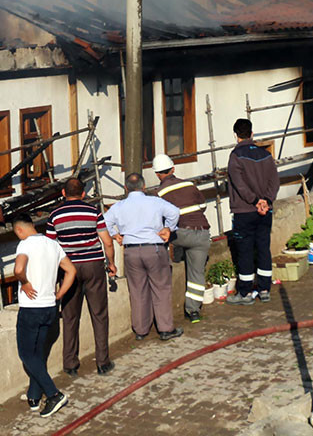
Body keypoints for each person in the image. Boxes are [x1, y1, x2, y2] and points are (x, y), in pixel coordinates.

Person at [46, 177, 116, 376]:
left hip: (68, 269)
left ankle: (70, 364)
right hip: (93, 265)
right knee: (99, 314)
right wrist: (111, 263)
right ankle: (103, 362)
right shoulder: (94, 212)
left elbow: (51, 247)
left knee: (70, 316)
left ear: (63, 193)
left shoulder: (55, 215)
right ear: (83, 194)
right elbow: (107, 241)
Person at [104, 172, 183, 341]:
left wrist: (114, 234)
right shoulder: (155, 201)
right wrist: (168, 228)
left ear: (126, 188)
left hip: (131, 251)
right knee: (161, 288)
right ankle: (165, 328)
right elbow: (175, 212)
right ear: (144, 186)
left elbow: (104, 222)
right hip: (153, 248)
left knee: (137, 290)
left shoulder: (118, 206)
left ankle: (140, 329)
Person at [12, 214, 76, 417]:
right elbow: (71, 271)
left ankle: (53, 394)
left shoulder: (25, 244)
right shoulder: (53, 244)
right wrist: (59, 294)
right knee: (38, 353)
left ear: (20, 230)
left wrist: (25, 282)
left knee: (25, 354)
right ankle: (34, 396)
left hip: (31, 308)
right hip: (50, 306)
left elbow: (18, 268)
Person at [226, 118, 279, 306]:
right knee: (264, 247)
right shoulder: (265, 155)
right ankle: (264, 289)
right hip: (265, 211)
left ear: (235, 135)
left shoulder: (235, 156)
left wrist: (256, 201)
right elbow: (275, 181)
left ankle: (245, 292)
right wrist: (267, 201)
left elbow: (239, 185)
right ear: (252, 133)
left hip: (244, 210)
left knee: (245, 251)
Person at [153, 153, 210, 324]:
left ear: (157, 174)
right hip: (203, 233)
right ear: (173, 169)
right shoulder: (189, 184)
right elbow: (203, 206)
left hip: (182, 234)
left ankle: (174, 256)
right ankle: (193, 311)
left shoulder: (160, 192)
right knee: (197, 274)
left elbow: (160, 220)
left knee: (161, 234)